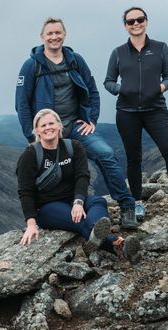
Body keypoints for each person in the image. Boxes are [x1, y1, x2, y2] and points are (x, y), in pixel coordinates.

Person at [16, 17, 138, 230]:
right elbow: (22, 104)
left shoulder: (75, 60)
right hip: (49, 133)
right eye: (50, 33)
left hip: (75, 125)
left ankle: (127, 207)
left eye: (58, 33)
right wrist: (32, 136)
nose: (54, 37)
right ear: (42, 37)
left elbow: (92, 90)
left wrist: (92, 119)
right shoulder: (31, 66)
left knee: (106, 154)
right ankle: (48, 215)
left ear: (64, 35)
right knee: (51, 173)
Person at [104, 6, 168, 217]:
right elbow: (108, 81)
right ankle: (137, 202)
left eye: (140, 19)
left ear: (146, 21)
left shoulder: (160, 48)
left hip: (155, 109)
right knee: (133, 158)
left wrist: (160, 88)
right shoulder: (118, 52)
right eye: (131, 21)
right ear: (125, 26)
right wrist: (121, 90)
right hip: (126, 111)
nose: (136, 24)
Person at [18, 109, 139, 261]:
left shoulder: (73, 147)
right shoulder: (30, 155)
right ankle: (116, 244)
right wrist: (30, 224)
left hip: (73, 198)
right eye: (43, 125)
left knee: (98, 201)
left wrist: (78, 201)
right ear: (37, 131)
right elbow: (25, 191)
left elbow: (82, 176)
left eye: (51, 123)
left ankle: (95, 233)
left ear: (59, 126)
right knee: (78, 220)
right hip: (47, 207)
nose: (48, 127)